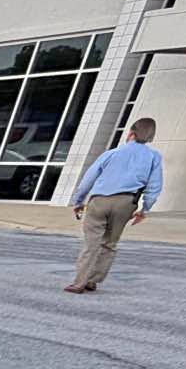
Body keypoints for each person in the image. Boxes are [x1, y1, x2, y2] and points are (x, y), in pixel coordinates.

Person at [63, 117, 163, 294]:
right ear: (150, 137)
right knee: (109, 243)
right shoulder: (154, 157)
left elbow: (88, 179)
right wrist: (145, 209)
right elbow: (154, 186)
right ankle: (92, 280)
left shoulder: (111, 153)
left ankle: (79, 282)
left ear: (131, 133)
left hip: (99, 201)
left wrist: (79, 201)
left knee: (91, 243)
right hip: (126, 203)